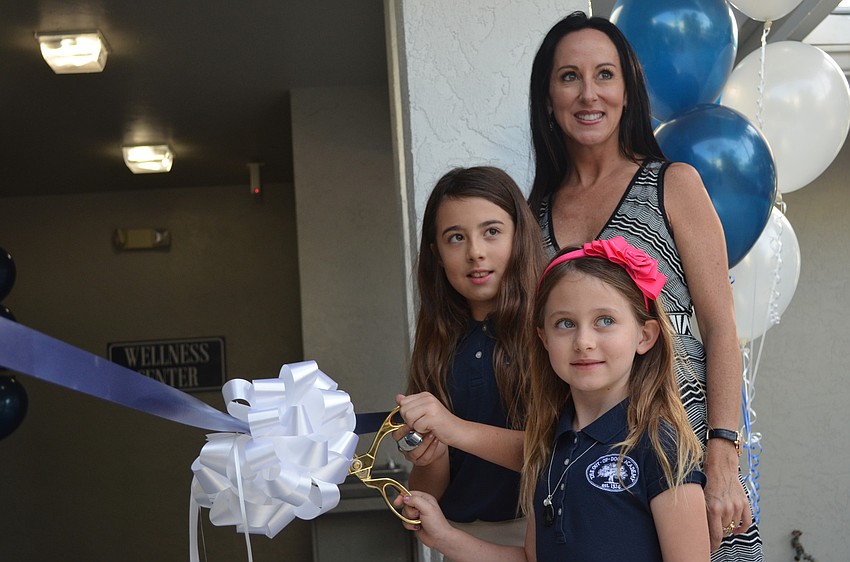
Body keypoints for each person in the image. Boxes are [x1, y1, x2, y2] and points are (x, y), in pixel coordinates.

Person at [526, 11, 761, 558]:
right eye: (569, 77)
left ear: (629, 91)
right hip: (597, 485)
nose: (589, 94)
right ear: (547, 98)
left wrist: (724, 452)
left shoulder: (673, 185)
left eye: (605, 75)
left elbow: (722, 329)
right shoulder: (532, 218)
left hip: (689, 460)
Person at [397, 238, 710, 561]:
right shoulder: (547, 445)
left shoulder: (660, 444)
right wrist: (445, 537)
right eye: (565, 323)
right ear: (544, 338)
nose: (583, 341)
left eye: (605, 320)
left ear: (645, 336)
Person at [393, 166, 546, 557]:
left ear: (520, 236)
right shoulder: (436, 343)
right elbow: (428, 490)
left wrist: (453, 429)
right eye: (455, 238)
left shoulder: (550, 331)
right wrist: (430, 455)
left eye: (491, 231)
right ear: (437, 255)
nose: (475, 251)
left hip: (539, 536)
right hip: (455, 540)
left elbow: (557, 451)